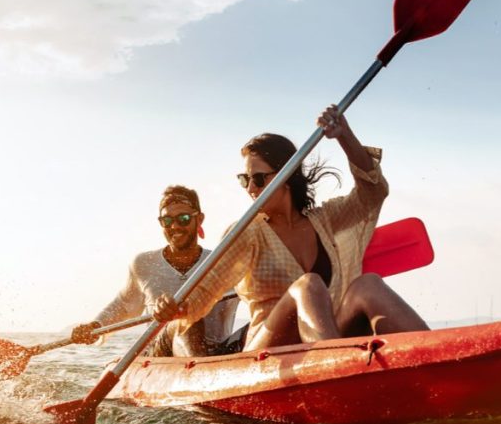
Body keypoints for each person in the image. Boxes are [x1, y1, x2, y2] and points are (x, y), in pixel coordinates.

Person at [154, 106, 428, 351]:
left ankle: (437, 354)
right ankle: (331, 367)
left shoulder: (325, 219)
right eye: (245, 179)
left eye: (259, 179)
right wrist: (172, 307)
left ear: (287, 176)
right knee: (307, 285)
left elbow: (373, 191)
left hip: (326, 337)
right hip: (268, 348)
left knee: (367, 284)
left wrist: (344, 136)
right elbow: (204, 293)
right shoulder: (246, 232)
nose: (251, 189)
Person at [69, 185, 237, 357]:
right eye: (167, 221)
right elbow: (124, 305)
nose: (175, 227)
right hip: (163, 352)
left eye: (184, 219)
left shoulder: (225, 263)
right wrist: (96, 327)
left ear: (199, 219)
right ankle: (199, 370)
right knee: (186, 320)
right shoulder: (144, 264)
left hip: (218, 352)